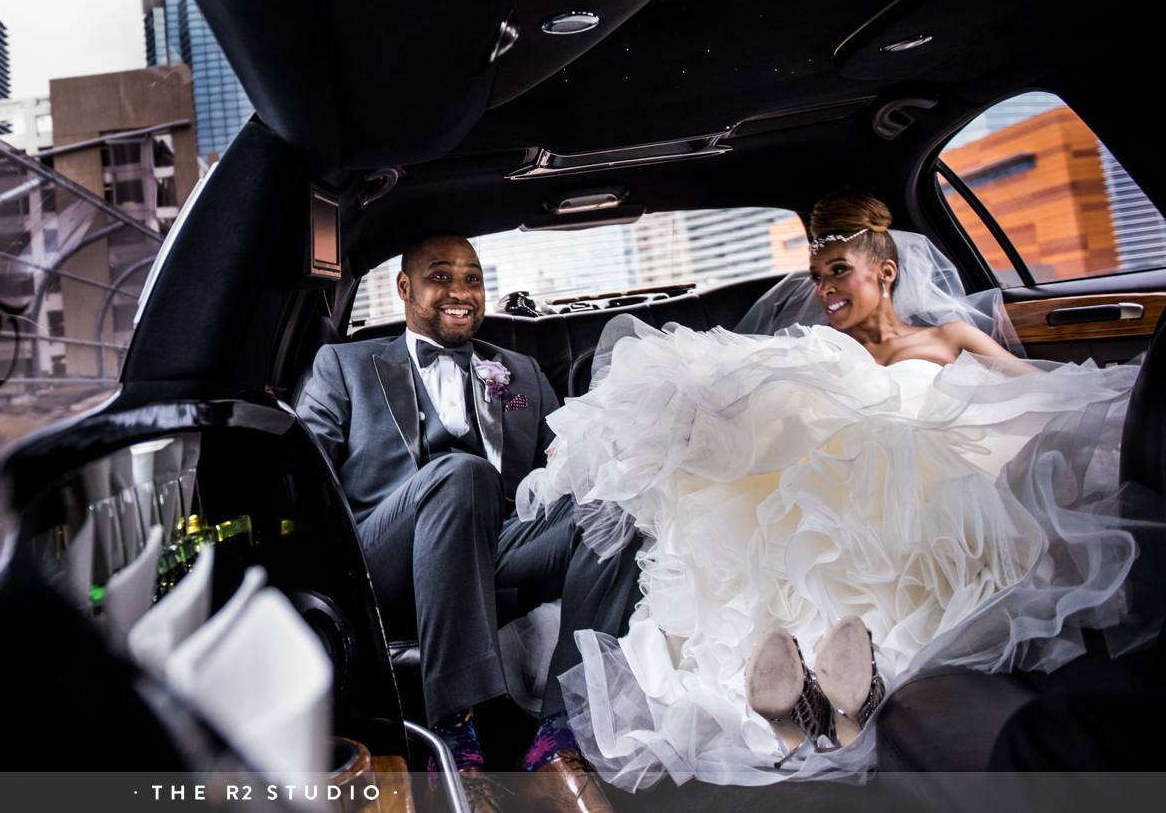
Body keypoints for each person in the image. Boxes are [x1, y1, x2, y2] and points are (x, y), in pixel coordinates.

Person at [516, 190, 1147, 789]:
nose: (825, 290)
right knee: (800, 500)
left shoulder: (950, 339)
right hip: (844, 505)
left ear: (887, 272)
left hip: (946, 498)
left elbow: (1033, 390)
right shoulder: (822, 356)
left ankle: (843, 690)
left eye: (839, 270)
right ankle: (809, 691)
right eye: (818, 276)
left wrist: (1130, 394)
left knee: (909, 483)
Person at [297, 233, 639, 813]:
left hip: (497, 540)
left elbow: (562, 472)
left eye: (473, 279)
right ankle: (456, 742)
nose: (460, 292)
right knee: (463, 473)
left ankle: (558, 739)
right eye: (441, 277)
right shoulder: (344, 364)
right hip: (386, 554)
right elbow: (308, 476)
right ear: (404, 287)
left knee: (620, 506)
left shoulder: (522, 372)